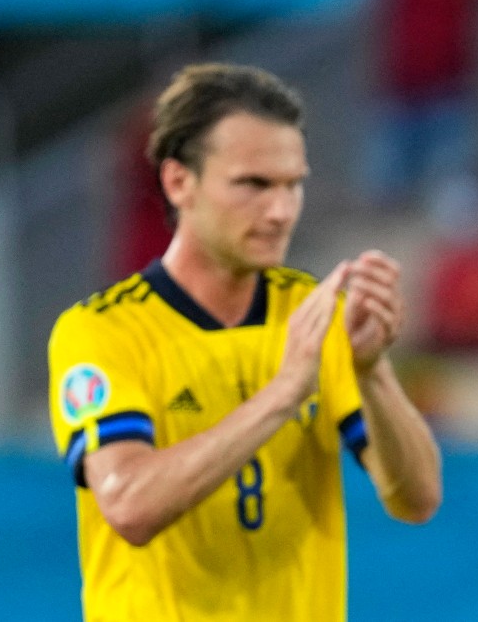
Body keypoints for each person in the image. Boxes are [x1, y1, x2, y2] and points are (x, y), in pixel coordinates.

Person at [47, 63, 443, 621]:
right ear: (179, 181)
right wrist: (281, 396)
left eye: (292, 184)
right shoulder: (102, 332)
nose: (280, 211)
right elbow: (130, 505)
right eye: (253, 185)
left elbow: (416, 498)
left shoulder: (315, 314)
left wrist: (372, 371)